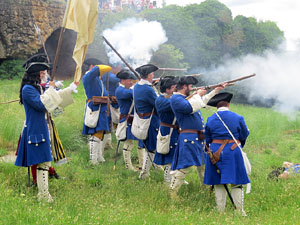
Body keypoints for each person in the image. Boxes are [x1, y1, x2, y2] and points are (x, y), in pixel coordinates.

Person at [15, 62, 78, 202]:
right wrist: (50, 89)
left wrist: (68, 89)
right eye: (42, 73)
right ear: (35, 74)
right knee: (43, 162)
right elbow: (42, 104)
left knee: (45, 162)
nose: (44, 75)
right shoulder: (28, 89)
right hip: (35, 129)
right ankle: (43, 196)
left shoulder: (36, 88)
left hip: (43, 127)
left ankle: (44, 195)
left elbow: (52, 101)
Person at [169, 76, 225, 196]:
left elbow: (201, 102)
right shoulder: (176, 98)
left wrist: (215, 91)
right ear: (184, 86)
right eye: (190, 86)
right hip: (189, 138)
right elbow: (189, 107)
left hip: (198, 138)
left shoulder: (185, 98)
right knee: (184, 167)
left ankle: (206, 192)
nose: (192, 88)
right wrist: (197, 94)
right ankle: (172, 193)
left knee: (203, 166)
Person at [204, 92, 250, 216]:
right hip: (233, 151)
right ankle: (240, 211)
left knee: (218, 183)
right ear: (228, 104)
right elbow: (244, 134)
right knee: (237, 182)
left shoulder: (210, 119)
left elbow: (207, 139)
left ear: (217, 106)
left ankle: (220, 211)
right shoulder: (238, 117)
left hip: (214, 152)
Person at [82, 58, 112, 165]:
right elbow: (96, 70)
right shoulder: (88, 76)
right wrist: (101, 67)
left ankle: (98, 156)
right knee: (95, 134)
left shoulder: (96, 78)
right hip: (94, 107)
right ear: (91, 66)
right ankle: (93, 159)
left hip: (101, 107)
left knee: (100, 133)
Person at [133, 64, 160, 179]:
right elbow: (158, 104)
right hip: (151, 121)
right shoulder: (148, 89)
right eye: (152, 74)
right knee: (151, 147)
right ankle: (144, 173)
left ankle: (149, 169)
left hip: (143, 119)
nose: (153, 76)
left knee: (149, 146)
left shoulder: (137, 86)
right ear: (149, 75)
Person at [115, 69, 144, 171]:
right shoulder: (120, 90)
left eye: (132, 80)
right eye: (129, 80)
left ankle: (142, 165)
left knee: (141, 142)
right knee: (129, 143)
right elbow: (133, 93)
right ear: (123, 80)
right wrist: (143, 85)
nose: (131, 82)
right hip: (127, 120)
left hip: (134, 119)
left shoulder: (128, 89)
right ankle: (128, 166)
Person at [153, 76, 178, 183]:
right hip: (168, 130)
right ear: (168, 89)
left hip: (174, 131)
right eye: (173, 88)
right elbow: (175, 104)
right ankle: (168, 178)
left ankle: (175, 177)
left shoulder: (169, 98)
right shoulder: (160, 100)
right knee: (169, 155)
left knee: (175, 154)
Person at [102, 64, 121, 149]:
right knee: (109, 124)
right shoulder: (108, 75)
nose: (119, 69)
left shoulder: (111, 75)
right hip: (109, 101)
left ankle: (109, 144)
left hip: (114, 102)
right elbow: (118, 79)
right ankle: (106, 144)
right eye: (119, 67)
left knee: (112, 124)